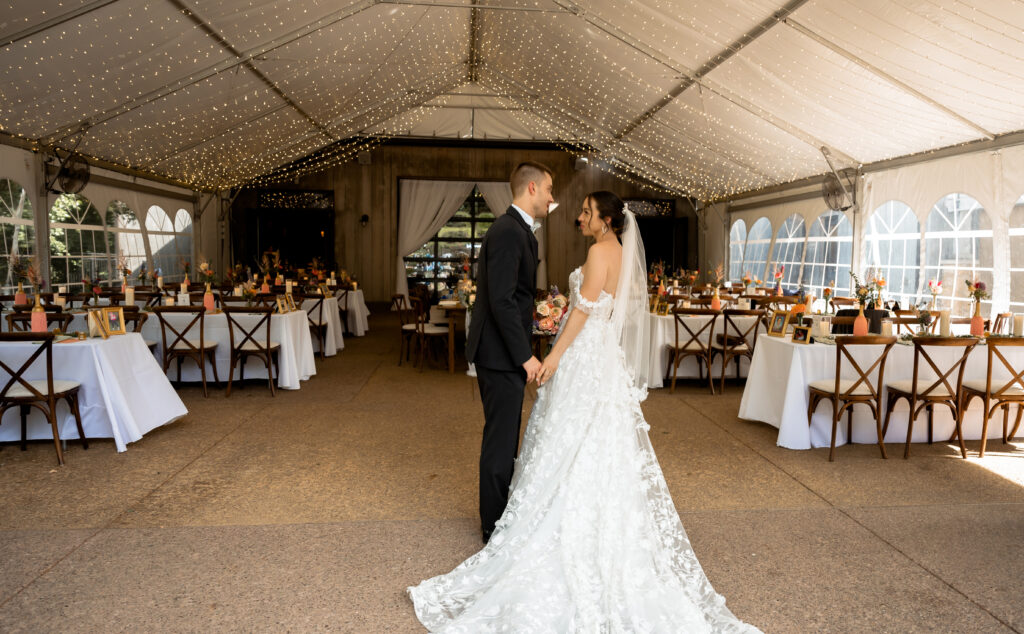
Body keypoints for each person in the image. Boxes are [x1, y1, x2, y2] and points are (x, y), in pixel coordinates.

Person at [409, 191, 761, 632]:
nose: (580, 217)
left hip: (584, 354)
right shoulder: (615, 251)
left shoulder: (599, 251)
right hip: (602, 357)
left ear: (607, 221)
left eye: (587, 213)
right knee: (596, 439)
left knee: (570, 435)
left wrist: (554, 355)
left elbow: (583, 310)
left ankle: (562, 526)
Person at [464, 161, 555, 545]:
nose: (553, 198)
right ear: (531, 188)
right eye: (550, 189)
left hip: (503, 352)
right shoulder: (507, 231)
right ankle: (493, 527)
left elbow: (514, 298)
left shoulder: (520, 231)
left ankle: (497, 516)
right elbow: (500, 301)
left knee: (504, 437)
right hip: (500, 355)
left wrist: (542, 316)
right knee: (500, 441)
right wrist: (526, 356)